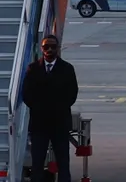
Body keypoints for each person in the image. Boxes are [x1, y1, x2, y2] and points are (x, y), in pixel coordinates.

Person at [22, 34, 77, 182]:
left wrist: (55, 108)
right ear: (42, 48)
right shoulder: (33, 69)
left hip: (59, 123)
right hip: (40, 124)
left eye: (53, 47)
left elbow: (72, 94)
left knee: (63, 162)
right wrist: (41, 108)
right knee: (37, 163)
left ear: (58, 49)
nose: (50, 49)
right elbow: (26, 94)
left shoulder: (67, 69)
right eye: (46, 47)